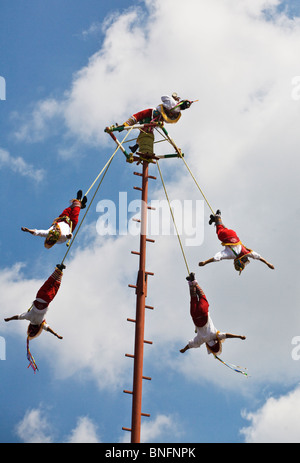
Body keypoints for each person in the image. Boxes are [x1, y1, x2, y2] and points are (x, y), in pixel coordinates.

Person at [4, 264, 65, 371]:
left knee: (55, 287)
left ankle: (60, 271)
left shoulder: (41, 322)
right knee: (48, 283)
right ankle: (58, 270)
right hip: (39, 296)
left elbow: (48, 329)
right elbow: (18, 317)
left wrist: (56, 335)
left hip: (46, 300)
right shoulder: (29, 317)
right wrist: (9, 319)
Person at [179, 273, 246, 355]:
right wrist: (184, 349)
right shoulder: (201, 340)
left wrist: (239, 336)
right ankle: (190, 282)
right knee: (193, 298)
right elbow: (190, 345)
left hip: (203, 314)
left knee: (202, 296)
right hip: (195, 316)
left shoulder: (215, 335)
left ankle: (194, 281)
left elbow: (227, 335)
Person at [198, 210, 275, 274]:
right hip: (226, 237)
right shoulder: (231, 255)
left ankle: (216, 220)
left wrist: (268, 263)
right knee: (220, 232)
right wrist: (205, 262)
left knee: (224, 229)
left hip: (233, 234)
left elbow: (258, 257)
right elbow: (217, 257)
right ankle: (218, 217)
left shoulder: (246, 252)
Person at [21, 190, 87, 249]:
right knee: (75, 213)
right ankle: (79, 203)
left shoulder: (48, 233)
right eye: (56, 231)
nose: (56, 229)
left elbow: (37, 232)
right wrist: (69, 235)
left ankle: (79, 202)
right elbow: (69, 236)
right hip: (70, 225)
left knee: (68, 210)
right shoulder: (62, 237)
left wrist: (28, 230)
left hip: (62, 220)